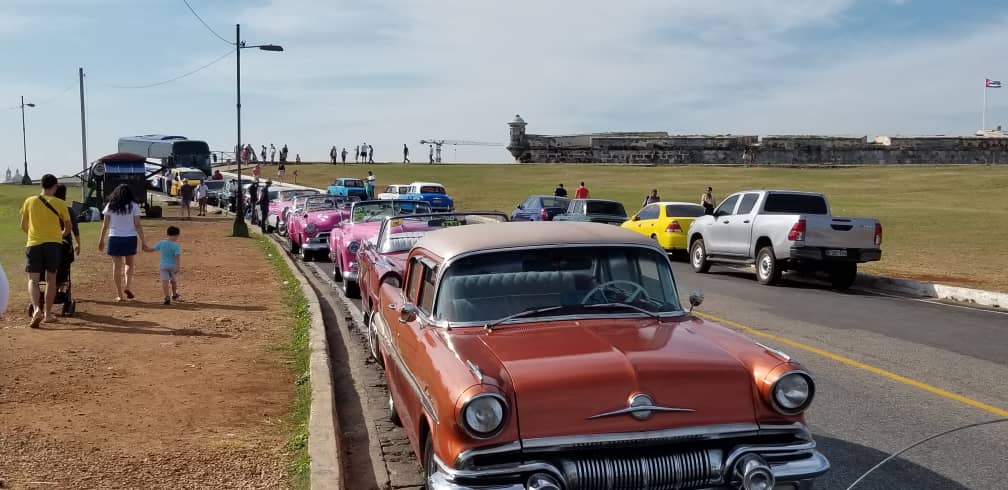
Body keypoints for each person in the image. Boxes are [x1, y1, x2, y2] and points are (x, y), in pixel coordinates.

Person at [20, 174, 71, 327]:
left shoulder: (29, 201)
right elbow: (68, 227)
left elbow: (23, 225)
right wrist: (60, 235)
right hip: (53, 244)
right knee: (51, 279)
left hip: (33, 243)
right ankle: (48, 314)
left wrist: (34, 234)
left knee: (33, 280)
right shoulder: (59, 203)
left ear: (41, 185)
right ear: (55, 186)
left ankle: (36, 309)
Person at [98, 184, 149, 302]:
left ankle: (119, 294)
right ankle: (127, 286)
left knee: (116, 266)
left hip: (114, 237)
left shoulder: (110, 205)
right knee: (129, 264)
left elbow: (105, 225)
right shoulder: (134, 206)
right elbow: (138, 225)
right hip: (130, 237)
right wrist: (143, 241)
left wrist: (101, 240)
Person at [147, 226, 181, 305]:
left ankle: (166, 296)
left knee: (164, 281)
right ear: (176, 235)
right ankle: (174, 294)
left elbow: (152, 249)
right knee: (173, 281)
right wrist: (177, 266)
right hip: (172, 266)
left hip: (163, 266)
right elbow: (177, 257)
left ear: (167, 234)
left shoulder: (162, 242)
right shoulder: (176, 245)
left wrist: (145, 248)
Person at [53, 184, 82, 260]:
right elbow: (75, 228)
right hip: (66, 243)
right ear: (64, 195)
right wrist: (78, 244)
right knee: (65, 269)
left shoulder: (48, 210)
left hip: (51, 242)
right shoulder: (68, 210)